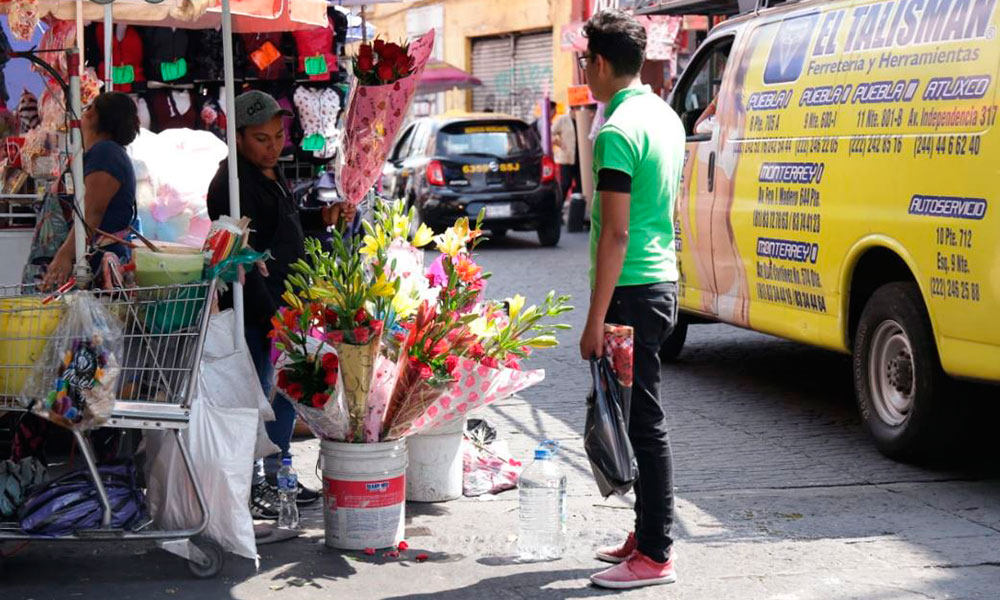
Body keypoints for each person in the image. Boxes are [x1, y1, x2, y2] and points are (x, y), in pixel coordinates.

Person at [206, 90, 356, 519]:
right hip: (259, 314)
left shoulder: (269, 173)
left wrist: (321, 218)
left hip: (288, 308)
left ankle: (279, 475)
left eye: (277, 136)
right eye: (261, 138)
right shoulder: (231, 186)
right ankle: (257, 484)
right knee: (258, 399)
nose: (274, 146)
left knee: (285, 396)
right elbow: (244, 263)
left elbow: (281, 228)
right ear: (234, 137)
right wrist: (273, 320)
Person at [577, 10, 685, 589]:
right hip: (658, 281)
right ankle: (644, 534)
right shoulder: (664, 116)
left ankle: (656, 554)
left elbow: (616, 233)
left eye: (583, 62)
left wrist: (595, 320)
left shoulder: (618, 132)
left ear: (598, 63)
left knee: (643, 420)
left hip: (632, 290)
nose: (584, 72)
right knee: (628, 412)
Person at [42, 92, 140, 291]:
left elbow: (92, 211)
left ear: (93, 115)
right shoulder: (99, 153)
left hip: (94, 264)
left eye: (88, 108)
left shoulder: (107, 153)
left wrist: (65, 255)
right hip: (87, 257)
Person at [551, 105, 580, 204]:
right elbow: (551, 133)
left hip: (580, 158)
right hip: (567, 157)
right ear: (572, 109)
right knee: (565, 183)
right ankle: (558, 206)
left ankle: (578, 208)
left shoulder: (582, 119)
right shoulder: (563, 119)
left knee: (580, 185)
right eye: (576, 108)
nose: (577, 111)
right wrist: (559, 143)